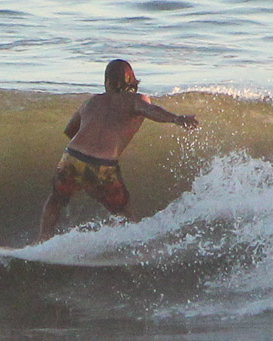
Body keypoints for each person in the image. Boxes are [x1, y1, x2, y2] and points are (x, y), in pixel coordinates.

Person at [38, 59, 198, 241]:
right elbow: (151, 110)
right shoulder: (136, 100)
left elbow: (70, 130)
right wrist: (176, 119)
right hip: (103, 166)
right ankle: (134, 251)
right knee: (125, 213)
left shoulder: (91, 102)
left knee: (56, 201)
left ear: (107, 81)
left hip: (72, 158)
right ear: (132, 80)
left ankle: (43, 240)